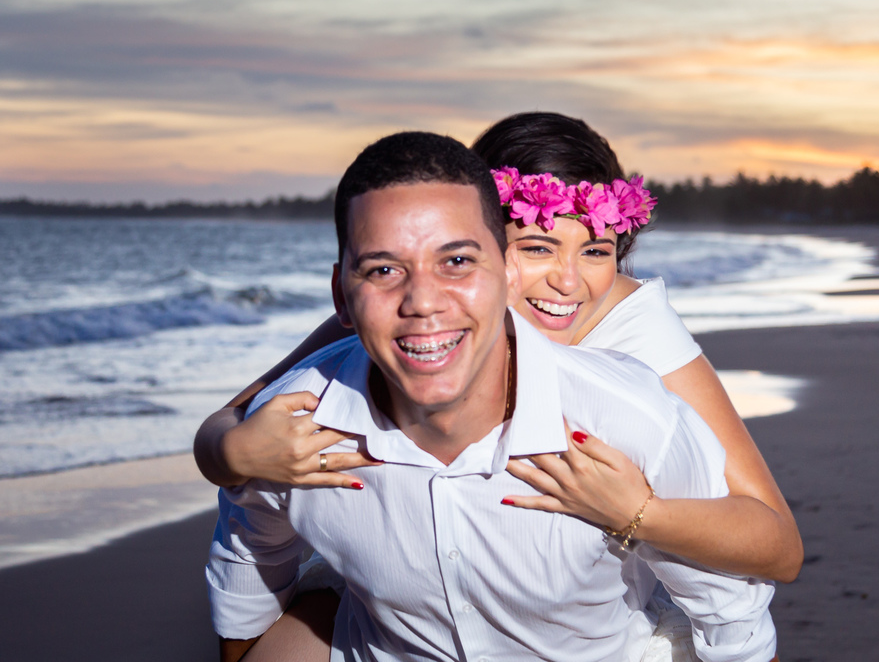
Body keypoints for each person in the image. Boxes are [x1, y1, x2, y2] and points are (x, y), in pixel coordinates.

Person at [206, 132, 777, 662]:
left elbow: (771, 549)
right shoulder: (395, 318)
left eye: (596, 251)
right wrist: (234, 456)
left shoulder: (633, 364)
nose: (567, 282)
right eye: (536, 246)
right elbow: (244, 416)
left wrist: (636, 514)